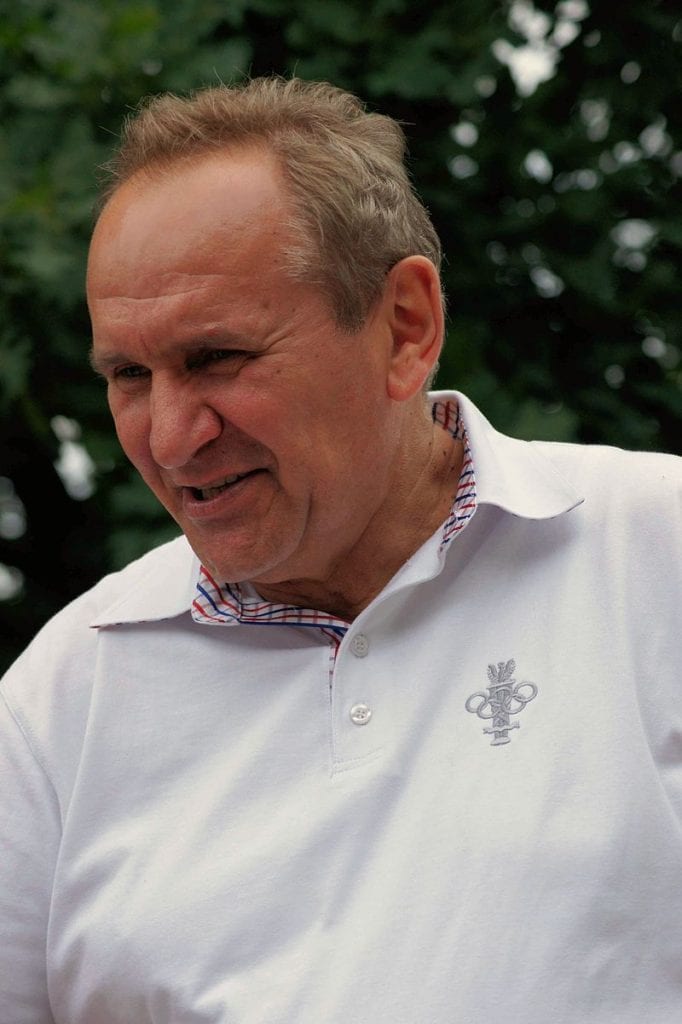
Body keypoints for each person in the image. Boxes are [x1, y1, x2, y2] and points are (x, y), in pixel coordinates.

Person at [1, 76, 680, 1024]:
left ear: (405, 327)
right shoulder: (63, 695)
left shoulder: (654, 554)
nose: (170, 438)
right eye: (128, 374)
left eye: (217, 358)